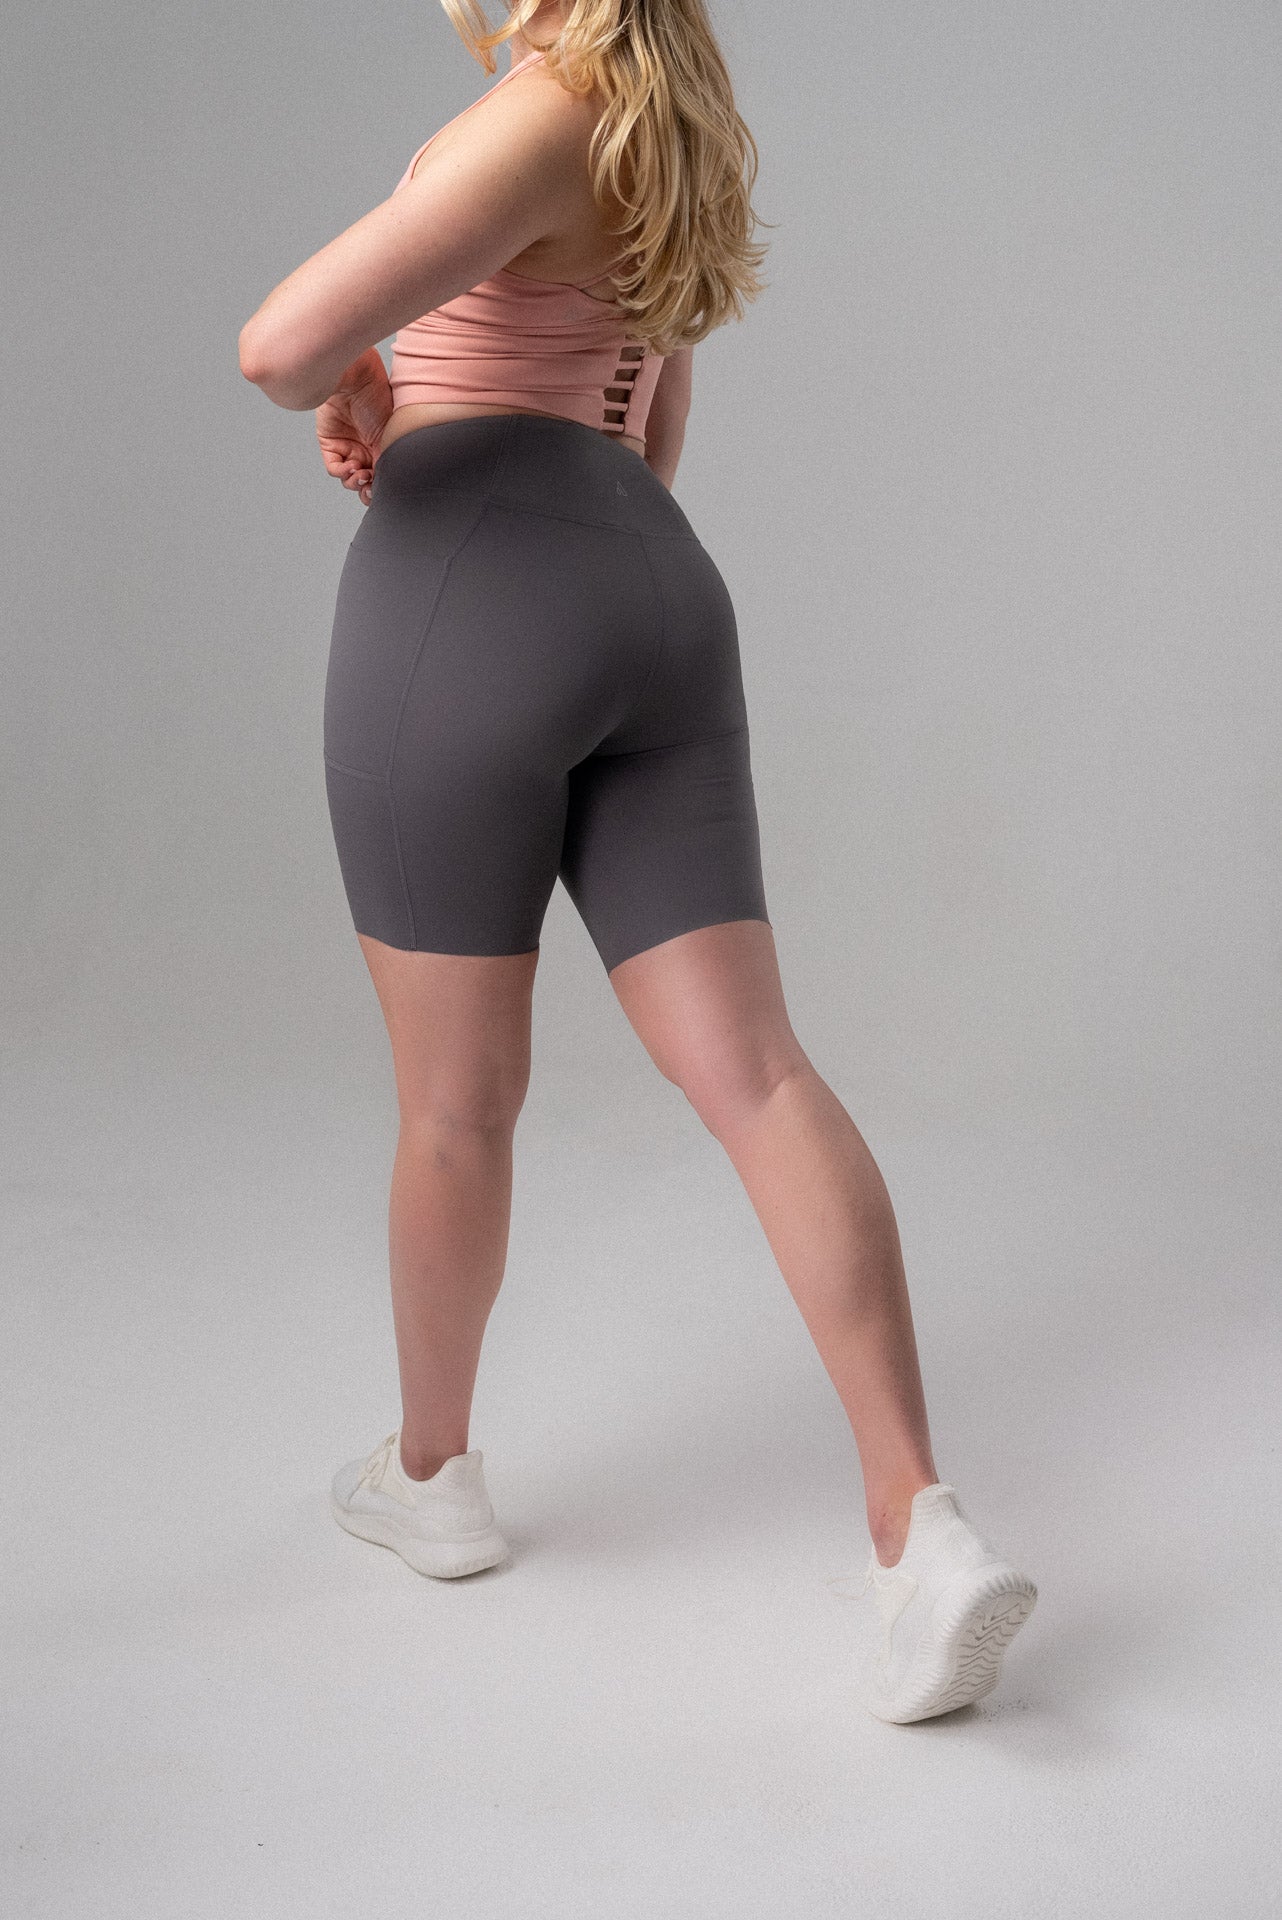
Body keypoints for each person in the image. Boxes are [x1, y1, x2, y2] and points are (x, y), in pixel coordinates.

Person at [238, 0, 1036, 1722]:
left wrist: (368, 383)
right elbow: (643, 431)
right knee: (758, 1074)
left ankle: (431, 1477)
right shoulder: (667, 123)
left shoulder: (535, 112)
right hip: (653, 585)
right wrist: (414, 388)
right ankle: (919, 1528)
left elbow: (277, 346)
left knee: (457, 1104)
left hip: (470, 593)